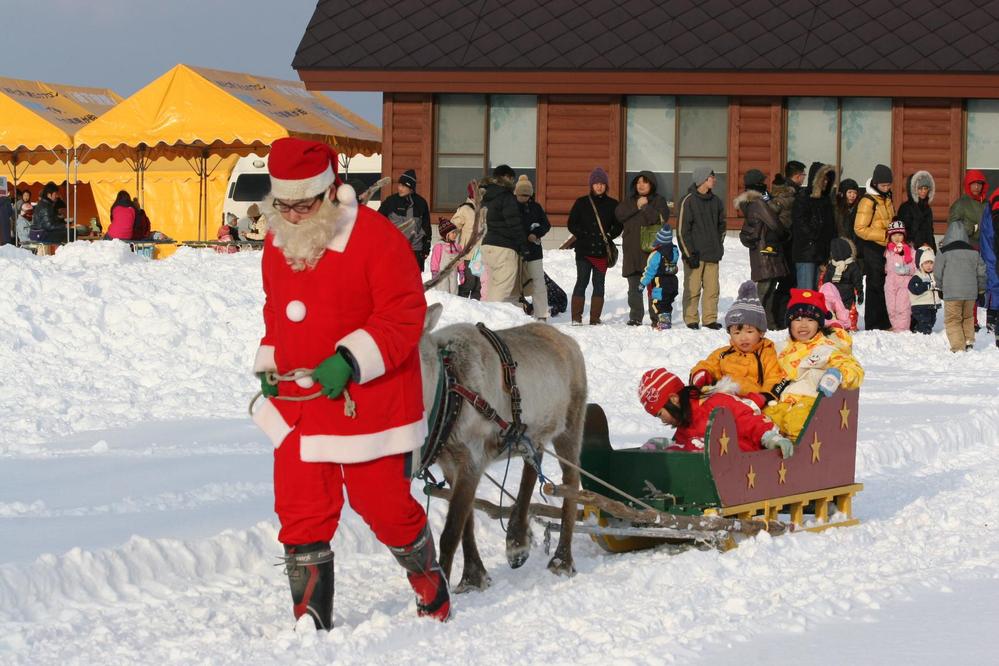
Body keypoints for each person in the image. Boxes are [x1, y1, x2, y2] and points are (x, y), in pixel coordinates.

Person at [252, 137, 450, 629]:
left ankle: (430, 583)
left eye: (303, 205)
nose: (294, 216)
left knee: (383, 507)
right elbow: (276, 311)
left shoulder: (375, 238)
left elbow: (405, 314)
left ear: (327, 192)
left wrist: (350, 358)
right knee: (300, 511)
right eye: (285, 206)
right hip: (300, 404)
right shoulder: (278, 242)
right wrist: (271, 362)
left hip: (367, 401)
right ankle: (310, 621)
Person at [765, 289, 864, 440]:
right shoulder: (780, 349)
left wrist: (838, 375)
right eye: (797, 319)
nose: (803, 325)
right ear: (789, 324)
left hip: (810, 402)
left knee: (796, 423)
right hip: (781, 401)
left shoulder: (826, 347)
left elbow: (851, 367)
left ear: (819, 324)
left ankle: (796, 460)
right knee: (763, 423)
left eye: (810, 320)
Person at [637, 368, 795, 458]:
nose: (662, 420)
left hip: (743, 463)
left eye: (660, 414)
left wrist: (770, 438)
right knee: (686, 447)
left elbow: (749, 420)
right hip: (714, 475)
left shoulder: (718, 402)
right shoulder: (684, 426)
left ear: (673, 399)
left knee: (696, 445)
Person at [688, 281, 785, 402]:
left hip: (750, 402)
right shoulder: (723, 353)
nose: (743, 338)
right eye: (737, 333)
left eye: (749, 332)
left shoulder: (767, 354)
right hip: (721, 399)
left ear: (761, 332)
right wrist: (701, 374)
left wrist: (763, 397)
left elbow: (774, 378)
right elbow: (709, 365)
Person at [567, 167, 621, 325]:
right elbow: (571, 223)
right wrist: (582, 234)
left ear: (606, 186)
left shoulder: (613, 204)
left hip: (602, 251)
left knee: (599, 283)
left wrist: (609, 236)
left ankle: (595, 318)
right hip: (584, 250)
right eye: (596, 183)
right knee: (582, 281)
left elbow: (618, 225)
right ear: (591, 185)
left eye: (602, 184)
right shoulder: (581, 202)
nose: (599, 186)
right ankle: (576, 318)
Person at [737, 169, 789, 331]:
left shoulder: (749, 201)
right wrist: (786, 234)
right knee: (765, 289)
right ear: (757, 184)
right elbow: (774, 223)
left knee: (768, 289)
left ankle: (768, 322)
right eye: (762, 181)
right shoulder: (758, 203)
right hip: (766, 251)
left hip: (760, 250)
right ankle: (753, 321)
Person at [615, 171, 670, 326]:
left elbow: (661, 219)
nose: (641, 185)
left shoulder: (659, 200)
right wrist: (636, 206)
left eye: (644, 182)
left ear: (651, 184)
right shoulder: (629, 200)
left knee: (653, 286)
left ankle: (655, 317)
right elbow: (619, 215)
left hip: (652, 251)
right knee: (634, 287)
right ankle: (635, 317)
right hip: (632, 250)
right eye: (638, 182)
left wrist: (645, 206)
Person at [676, 166, 726, 329]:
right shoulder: (688, 200)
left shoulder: (717, 201)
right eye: (712, 177)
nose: (714, 179)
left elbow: (722, 227)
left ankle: (710, 319)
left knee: (712, 290)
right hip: (694, 255)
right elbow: (682, 230)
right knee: (693, 289)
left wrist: (718, 246)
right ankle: (691, 319)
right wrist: (689, 253)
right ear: (703, 179)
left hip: (712, 254)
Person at [854, 164, 896, 330]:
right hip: (873, 247)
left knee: (885, 283)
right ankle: (874, 323)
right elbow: (859, 228)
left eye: (888, 185)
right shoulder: (868, 200)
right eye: (883, 185)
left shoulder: (886, 198)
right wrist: (884, 235)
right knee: (875, 284)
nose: (886, 188)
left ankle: (884, 320)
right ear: (875, 184)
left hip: (887, 247)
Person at [934, 223, 986, 352]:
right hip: (970, 293)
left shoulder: (943, 251)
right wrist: (980, 290)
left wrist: (940, 287)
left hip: (952, 293)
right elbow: (981, 272)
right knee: (968, 317)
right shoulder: (974, 252)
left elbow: (938, 272)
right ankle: (968, 340)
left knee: (953, 319)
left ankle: (958, 347)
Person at [479, 164, 525, 304]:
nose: (513, 182)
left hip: (488, 245)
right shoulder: (506, 196)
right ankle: (492, 321)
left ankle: (489, 317)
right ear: (505, 177)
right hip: (504, 246)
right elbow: (514, 223)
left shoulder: (486, 197)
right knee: (503, 289)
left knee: (494, 286)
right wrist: (524, 245)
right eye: (512, 179)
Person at [771, 161, 807, 326]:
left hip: (787, 242)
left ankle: (782, 317)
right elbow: (783, 219)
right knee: (787, 282)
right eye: (803, 175)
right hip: (787, 243)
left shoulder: (784, 190)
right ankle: (781, 318)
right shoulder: (790, 193)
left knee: (787, 282)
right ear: (798, 176)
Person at [791, 162, 836, 291]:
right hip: (806, 254)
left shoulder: (826, 201)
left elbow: (831, 228)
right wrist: (816, 235)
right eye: (823, 179)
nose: (826, 182)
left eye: (828, 179)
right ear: (816, 180)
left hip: (823, 255)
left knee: (820, 293)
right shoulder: (803, 199)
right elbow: (800, 224)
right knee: (806, 293)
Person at [378, 169, 431, 271]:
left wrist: (426, 248)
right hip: (394, 249)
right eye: (399, 185)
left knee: (412, 282)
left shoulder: (421, 203)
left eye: (404, 186)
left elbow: (426, 227)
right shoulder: (391, 201)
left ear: (411, 188)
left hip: (415, 250)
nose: (400, 188)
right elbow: (378, 221)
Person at [514, 175, 550, 320]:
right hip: (516, 251)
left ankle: (542, 315)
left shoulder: (536, 207)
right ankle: (516, 314)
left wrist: (536, 233)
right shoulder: (511, 206)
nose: (524, 198)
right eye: (521, 195)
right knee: (516, 284)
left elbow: (546, 225)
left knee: (538, 283)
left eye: (527, 195)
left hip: (534, 251)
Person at [638, 225, 680, 330]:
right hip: (673, 282)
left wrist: (642, 283)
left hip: (660, 282)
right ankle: (666, 321)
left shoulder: (656, 254)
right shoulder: (675, 251)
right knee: (668, 302)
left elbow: (649, 271)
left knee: (659, 303)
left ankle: (664, 324)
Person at [822, 237, 864, 328]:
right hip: (847, 294)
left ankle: (838, 325)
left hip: (834, 295)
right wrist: (860, 291)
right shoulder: (852, 265)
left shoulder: (831, 266)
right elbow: (857, 280)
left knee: (836, 311)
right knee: (846, 311)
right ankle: (848, 325)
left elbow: (826, 282)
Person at [451, 182, 483, 300]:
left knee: (479, 285)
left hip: (481, 254)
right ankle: (461, 304)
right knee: (468, 283)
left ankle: (476, 308)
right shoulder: (465, 209)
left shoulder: (485, 209)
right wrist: (450, 236)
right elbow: (453, 226)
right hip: (468, 254)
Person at [884, 219, 916, 332]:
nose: (897, 238)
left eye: (899, 235)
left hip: (904, 284)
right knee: (891, 308)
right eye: (894, 235)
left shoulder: (910, 250)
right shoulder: (888, 250)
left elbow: (915, 267)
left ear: (904, 236)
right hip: (891, 284)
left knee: (903, 308)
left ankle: (902, 330)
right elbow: (887, 266)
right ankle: (896, 327)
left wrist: (906, 270)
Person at [897, 171, 936, 252]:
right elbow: (904, 233)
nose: (923, 191)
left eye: (926, 188)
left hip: (927, 251)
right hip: (910, 251)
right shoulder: (905, 208)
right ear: (913, 189)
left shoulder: (927, 208)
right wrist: (921, 244)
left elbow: (930, 232)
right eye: (920, 188)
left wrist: (933, 250)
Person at [948, 169, 988, 247]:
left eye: (979, 184)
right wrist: (972, 228)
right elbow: (952, 226)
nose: (976, 187)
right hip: (967, 244)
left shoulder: (986, 204)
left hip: (986, 245)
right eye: (973, 184)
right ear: (968, 184)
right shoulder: (961, 204)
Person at [908, 247, 941, 335]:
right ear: (921, 264)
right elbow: (913, 288)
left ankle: (916, 326)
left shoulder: (935, 275)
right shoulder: (918, 276)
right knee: (925, 323)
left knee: (932, 321)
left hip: (932, 305)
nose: (929, 266)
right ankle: (921, 333)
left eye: (931, 263)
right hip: (920, 305)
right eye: (926, 263)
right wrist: (927, 286)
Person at [980, 187, 999, 344]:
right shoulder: (994, 202)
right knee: (994, 283)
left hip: (992, 247)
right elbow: (989, 233)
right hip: (993, 248)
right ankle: (992, 319)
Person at [429, 218, 464, 295]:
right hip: (442, 274)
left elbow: (460, 260)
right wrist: (434, 272)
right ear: (446, 234)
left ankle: (453, 305)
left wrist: (461, 272)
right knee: (443, 291)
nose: (455, 234)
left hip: (453, 274)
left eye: (456, 232)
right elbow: (435, 261)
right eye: (453, 233)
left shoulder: (457, 247)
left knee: (454, 291)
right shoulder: (439, 246)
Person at [834, 178, 861, 243]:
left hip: (854, 244)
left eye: (855, 193)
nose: (852, 195)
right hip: (840, 244)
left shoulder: (858, 207)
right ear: (843, 193)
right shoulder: (836, 208)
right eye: (849, 192)